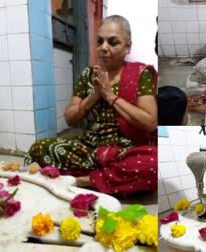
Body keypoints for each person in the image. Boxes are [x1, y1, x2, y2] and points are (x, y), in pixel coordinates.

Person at [25, 15, 158, 195]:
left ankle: (84, 180)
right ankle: (110, 179)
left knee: (154, 164)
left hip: (125, 152)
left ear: (127, 47)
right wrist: (94, 96)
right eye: (100, 41)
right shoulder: (88, 75)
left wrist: (109, 96)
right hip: (88, 150)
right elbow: (70, 119)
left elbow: (150, 122)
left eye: (113, 42)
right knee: (40, 147)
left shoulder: (140, 74)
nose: (104, 48)